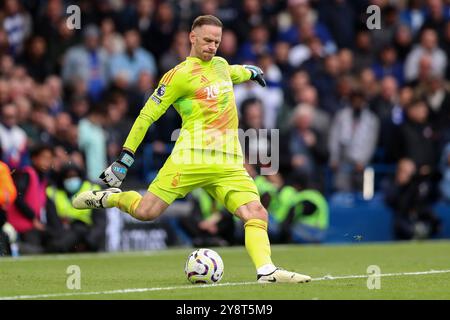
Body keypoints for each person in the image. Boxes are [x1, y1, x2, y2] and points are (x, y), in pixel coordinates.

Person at [73, 15, 311, 283]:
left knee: (255, 212)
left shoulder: (220, 65)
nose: (212, 46)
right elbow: (146, 116)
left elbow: (235, 71)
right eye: (207, 40)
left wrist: (251, 71)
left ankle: (266, 270)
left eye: (217, 42)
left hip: (228, 164)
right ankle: (112, 198)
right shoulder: (178, 76)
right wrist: (124, 159)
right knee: (146, 213)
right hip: (190, 159)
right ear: (192, 37)